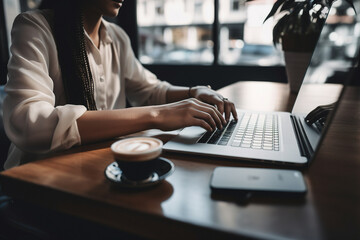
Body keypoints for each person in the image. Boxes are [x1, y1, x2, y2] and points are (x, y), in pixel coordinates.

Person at [2, 0, 237, 169]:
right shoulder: (35, 27)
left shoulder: (117, 37)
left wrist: (194, 92)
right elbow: (30, 124)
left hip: (95, 168)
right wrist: (157, 115)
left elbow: (149, 90)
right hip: (35, 181)